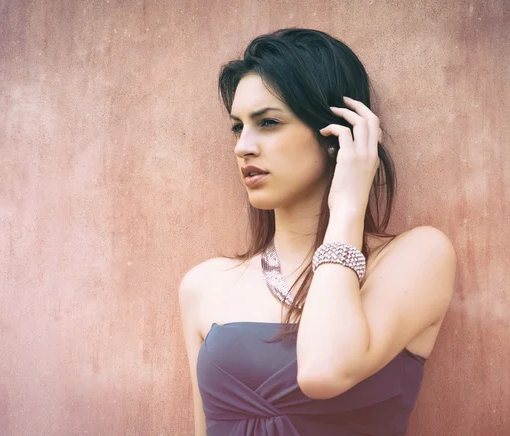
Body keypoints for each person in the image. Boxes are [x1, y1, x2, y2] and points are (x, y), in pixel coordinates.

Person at [178, 28, 457, 436]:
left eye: (268, 122)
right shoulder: (203, 285)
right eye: (238, 127)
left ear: (336, 134)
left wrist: (346, 208)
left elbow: (324, 371)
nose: (243, 147)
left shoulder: (418, 257)